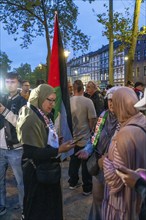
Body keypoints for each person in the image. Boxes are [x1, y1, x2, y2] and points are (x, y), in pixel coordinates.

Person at [16, 84, 75, 220]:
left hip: (44, 171)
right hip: (37, 174)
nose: (52, 104)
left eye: (54, 100)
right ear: (40, 97)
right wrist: (59, 149)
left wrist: (54, 141)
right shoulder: (30, 118)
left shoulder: (39, 113)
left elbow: (41, 141)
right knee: (40, 210)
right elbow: (31, 152)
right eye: (49, 100)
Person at [102, 87, 146, 220]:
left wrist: (103, 162)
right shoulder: (142, 120)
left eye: (114, 102)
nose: (112, 106)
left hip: (123, 201)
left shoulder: (124, 134)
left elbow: (115, 178)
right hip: (139, 195)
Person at [77, 86, 120, 220]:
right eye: (109, 100)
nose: (111, 103)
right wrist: (87, 150)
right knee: (97, 199)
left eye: (115, 100)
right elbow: (94, 137)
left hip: (116, 169)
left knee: (114, 204)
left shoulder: (126, 119)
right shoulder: (103, 115)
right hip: (99, 166)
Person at [0, 72, 26, 216]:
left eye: (13, 82)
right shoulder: (2, 98)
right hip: (0, 148)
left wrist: (4, 111)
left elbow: (21, 123)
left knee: (20, 182)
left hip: (16, 148)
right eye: (8, 82)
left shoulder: (23, 102)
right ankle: (1, 206)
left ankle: (24, 208)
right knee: (0, 180)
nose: (10, 84)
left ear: (18, 84)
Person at [68, 80, 96, 195]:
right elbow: (92, 119)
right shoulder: (88, 101)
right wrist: (91, 130)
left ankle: (73, 182)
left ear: (73, 89)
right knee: (85, 164)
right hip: (85, 137)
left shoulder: (68, 101)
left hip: (72, 138)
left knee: (73, 162)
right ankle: (87, 188)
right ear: (82, 89)